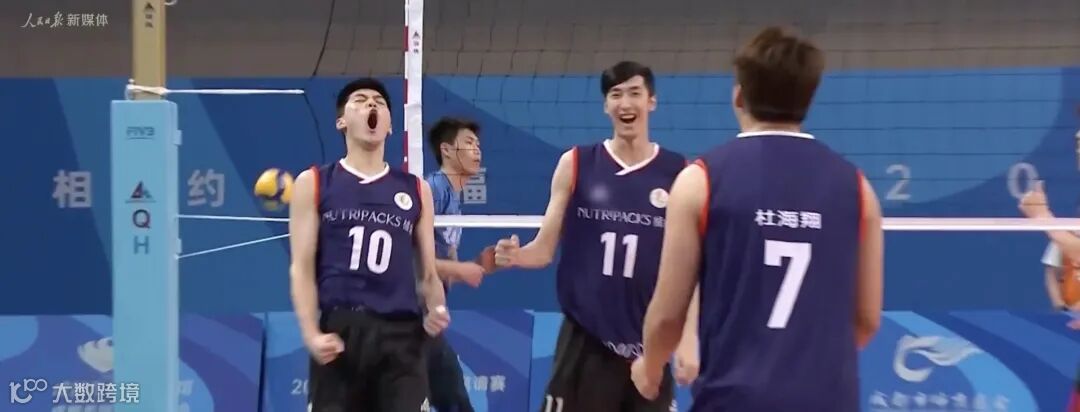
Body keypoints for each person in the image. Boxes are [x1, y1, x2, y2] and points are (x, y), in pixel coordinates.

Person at [630, 27, 884, 412]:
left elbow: (668, 316)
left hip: (734, 399)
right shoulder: (859, 189)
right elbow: (866, 320)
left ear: (738, 96)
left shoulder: (700, 180)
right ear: (808, 98)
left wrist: (649, 368)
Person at [493, 60, 699, 412]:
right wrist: (516, 255)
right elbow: (544, 250)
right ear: (606, 106)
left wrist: (688, 338)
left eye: (634, 93)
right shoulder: (577, 163)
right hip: (585, 342)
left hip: (648, 348)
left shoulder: (679, 173)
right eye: (616, 95)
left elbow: (690, 268)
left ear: (651, 101)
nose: (625, 103)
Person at [288, 77, 450, 412]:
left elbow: (428, 275)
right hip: (342, 333)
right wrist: (311, 334)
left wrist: (436, 309)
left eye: (379, 102)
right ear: (341, 121)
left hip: (401, 337)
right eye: (360, 100)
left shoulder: (416, 189)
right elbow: (301, 269)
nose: (371, 104)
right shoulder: (315, 182)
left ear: (389, 125)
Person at [424, 116, 494, 412]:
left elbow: (446, 274)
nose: (477, 150)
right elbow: (409, 258)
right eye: (468, 143)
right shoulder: (433, 189)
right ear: (447, 150)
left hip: (427, 321)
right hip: (406, 316)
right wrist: (460, 269)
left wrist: (481, 264)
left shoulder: (454, 202)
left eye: (478, 144)